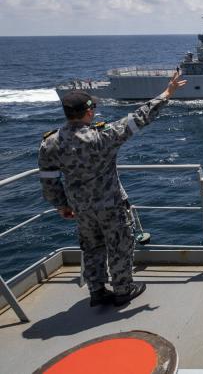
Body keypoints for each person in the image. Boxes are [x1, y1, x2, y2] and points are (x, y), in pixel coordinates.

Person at [38, 69, 187, 307]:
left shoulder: (49, 143)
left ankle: (97, 292)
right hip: (111, 205)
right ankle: (123, 290)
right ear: (89, 111)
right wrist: (168, 92)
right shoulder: (103, 137)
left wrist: (61, 205)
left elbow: (48, 180)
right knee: (119, 246)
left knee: (91, 248)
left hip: (81, 209)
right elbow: (139, 117)